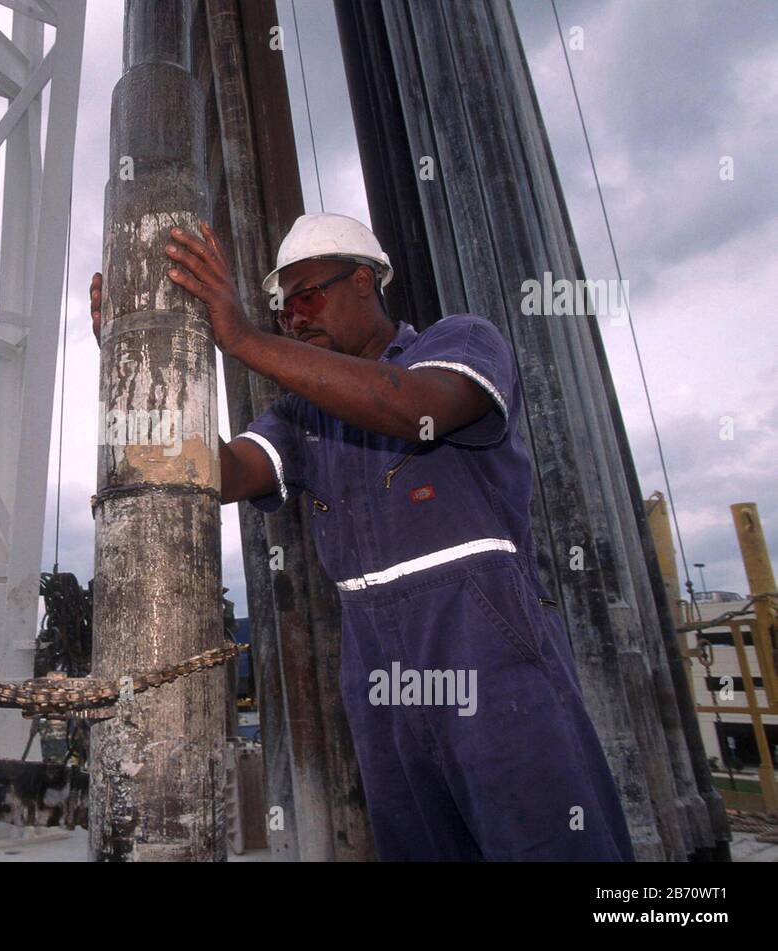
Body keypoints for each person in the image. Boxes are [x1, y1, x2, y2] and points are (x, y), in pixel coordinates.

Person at [90, 212, 635, 861]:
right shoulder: (303, 414)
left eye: (306, 296)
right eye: (282, 311)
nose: (293, 318)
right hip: (376, 669)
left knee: (542, 837)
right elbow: (218, 470)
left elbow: (411, 408)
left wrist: (239, 337)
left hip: (485, 647)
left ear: (363, 281)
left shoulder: (461, 343)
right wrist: (132, 359)